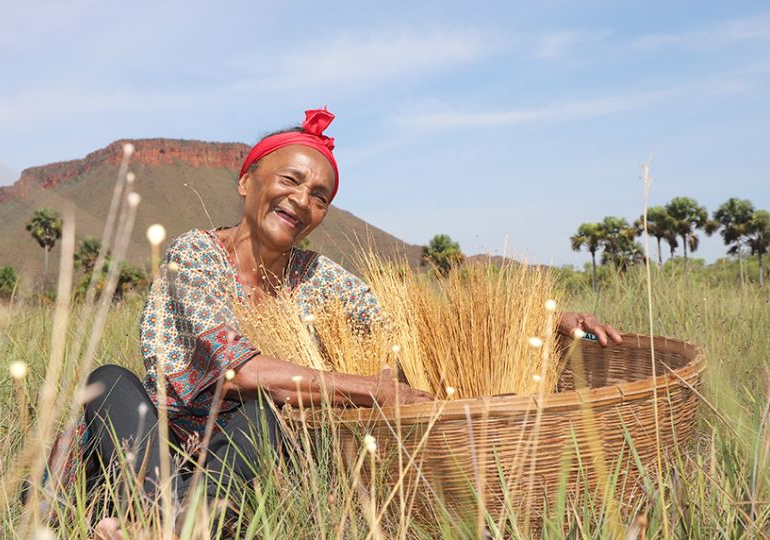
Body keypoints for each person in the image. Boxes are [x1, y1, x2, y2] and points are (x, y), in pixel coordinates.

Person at [69, 107, 622, 538]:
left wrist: (544, 323)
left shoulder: (322, 278)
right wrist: (375, 392)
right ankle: (179, 521)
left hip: (245, 450)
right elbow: (241, 371)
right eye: (290, 180)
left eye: (320, 197)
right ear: (247, 182)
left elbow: (417, 331)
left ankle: (161, 528)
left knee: (270, 415)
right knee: (109, 380)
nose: (302, 200)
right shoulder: (195, 256)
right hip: (161, 439)